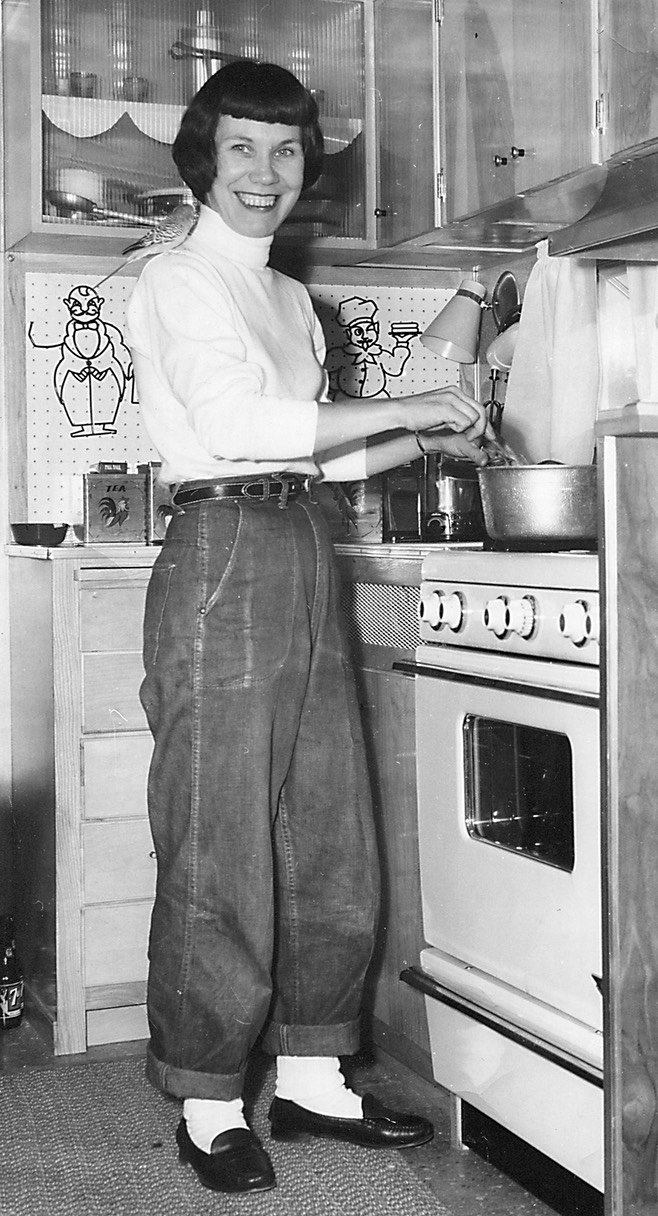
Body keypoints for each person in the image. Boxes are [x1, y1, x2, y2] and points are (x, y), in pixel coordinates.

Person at [125, 58, 488, 1197]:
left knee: (332, 827)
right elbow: (234, 428)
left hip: (303, 537)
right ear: (202, 156)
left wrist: (428, 436)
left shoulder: (289, 299)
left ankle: (323, 1077)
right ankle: (208, 1093)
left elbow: (314, 449)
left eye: (285, 151)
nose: (265, 173)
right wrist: (409, 402)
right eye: (242, 147)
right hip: (219, 549)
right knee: (218, 832)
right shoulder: (177, 278)